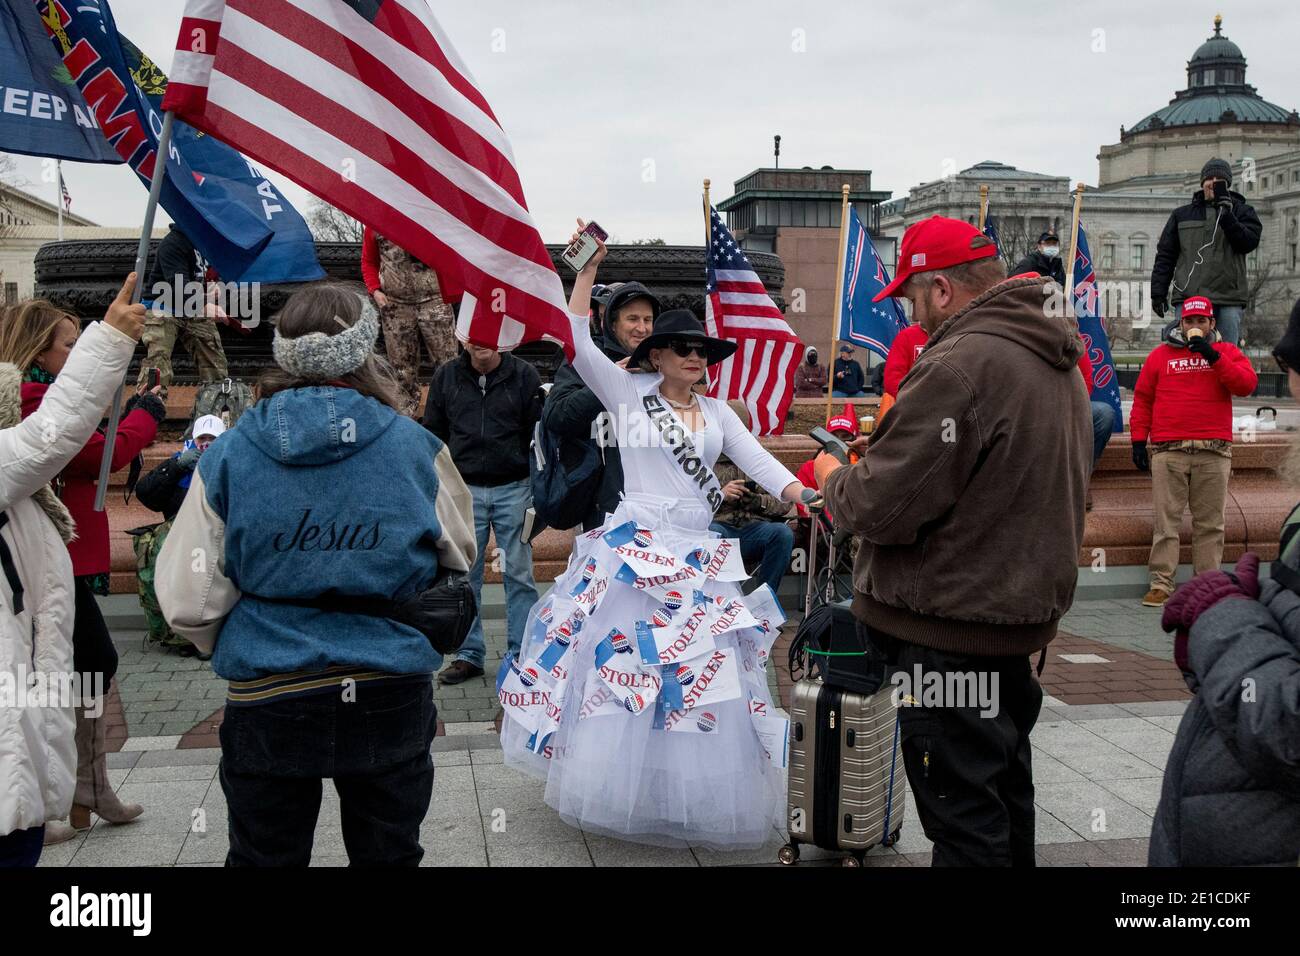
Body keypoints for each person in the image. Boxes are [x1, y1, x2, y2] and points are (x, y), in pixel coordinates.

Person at [499, 225, 812, 849]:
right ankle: (623, 787)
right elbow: (574, 336)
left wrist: (800, 493)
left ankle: (681, 787)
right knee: (626, 670)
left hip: (698, 555)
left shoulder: (719, 411)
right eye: (680, 347)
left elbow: (758, 461)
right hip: (636, 552)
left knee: (702, 673)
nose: (695, 357)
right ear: (656, 356)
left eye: (701, 350)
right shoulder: (625, 391)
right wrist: (587, 272)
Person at [155, 285, 476, 867]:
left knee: (264, 858)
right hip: (387, 683)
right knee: (389, 855)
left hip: (271, 690)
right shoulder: (415, 447)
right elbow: (458, 554)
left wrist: (240, 633)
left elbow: (187, 599)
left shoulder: (228, 454)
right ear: (365, 351)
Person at [815, 216, 1092, 866]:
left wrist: (834, 476)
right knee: (1001, 806)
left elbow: (876, 507)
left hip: (944, 639)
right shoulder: (1057, 355)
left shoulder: (963, 361)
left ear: (940, 289)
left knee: (963, 829)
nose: (911, 315)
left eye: (912, 298)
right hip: (1011, 629)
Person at [4, 300, 166, 845]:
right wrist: (148, 414)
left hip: (60, 559)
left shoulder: (38, 391)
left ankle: (82, 784)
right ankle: (64, 789)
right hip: (45, 565)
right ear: (38, 348)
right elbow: (106, 453)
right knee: (74, 665)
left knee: (87, 662)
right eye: (68, 344)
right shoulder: (30, 397)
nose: (73, 351)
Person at [422, 342, 543, 686]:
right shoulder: (447, 376)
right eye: (473, 333)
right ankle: (468, 655)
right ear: (462, 337)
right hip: (464, 490)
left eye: (489, 332)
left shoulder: (524, 375)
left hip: (514, 487)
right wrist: (441, 486)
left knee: (519, 574)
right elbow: (434, 433)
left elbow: (536, 434)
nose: (481, 342)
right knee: (463, 576)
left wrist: (534, 484)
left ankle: (522, 654)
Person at [1130, 295, 1258, 608]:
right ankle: (1161, 584)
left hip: (1213, 452)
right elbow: (1143, 399)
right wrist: (1137, 440)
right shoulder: (1160, 356)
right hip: (1168, 450)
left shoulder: (1226, 352)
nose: (1195, 326)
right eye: (1190, 321)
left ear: (1212, 323)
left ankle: (1207, 585)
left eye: (1202, 320)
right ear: (1181, 323)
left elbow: (1246, 384)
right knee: (1166, 523)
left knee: (1211, 525)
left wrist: (1213, 357)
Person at [542, 274, 661, 531]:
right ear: (613, 324)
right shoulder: (587, 361)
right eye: (632, 319)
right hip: (605, 507)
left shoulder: (664, 362)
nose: (642, 328)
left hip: (659, 504)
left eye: (647, 320)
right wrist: (609, 381)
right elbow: (556, 416)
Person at [1008, 247, 1117, 502]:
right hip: (1019, 411)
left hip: (1063, 404)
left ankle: (1078, 479)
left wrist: (1064, 402)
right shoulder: (1009, 331)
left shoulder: (1067, 331)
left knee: (1102, 413)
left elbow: (1086, 379)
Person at [133, 415, 228, 656]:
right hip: (180, 545)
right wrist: (175, 468)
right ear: (193, 440)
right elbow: (146, 494)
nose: (206, 444)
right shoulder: (180, 463)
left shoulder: (230, 464)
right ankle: (182, 639)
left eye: (212, 439)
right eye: (202, 438)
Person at [1151, 158, 1262, 346]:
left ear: (1227, 184)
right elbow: (1165, 256)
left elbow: (1248, 243)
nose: (1213, 182)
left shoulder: (1244, 211)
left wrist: (1228, 216)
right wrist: (1158, 292)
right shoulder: (1181, 214)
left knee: (1226, 354)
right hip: (1189, 296)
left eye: (1219, 179)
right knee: (1185, 354)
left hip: (1229, 298)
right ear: (1202, 182)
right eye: (1209, 178)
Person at [361, 225, 458, 417]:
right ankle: (406, 419)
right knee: (401, 369)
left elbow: (452, 252)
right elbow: (368, 260)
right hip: (395, 305)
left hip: (435, 300)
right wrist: (375, 289)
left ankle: (451, 414)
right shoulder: (376, 222)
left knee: (448, 363)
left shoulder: (428, 214)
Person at [137, 223, 231, 398]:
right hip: (162, 306)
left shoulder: (207, 246)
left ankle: (217, 405)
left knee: (216, 363)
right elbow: (179, 285)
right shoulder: (173, 243)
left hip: (191, 307)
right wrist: (204, 306)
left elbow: (206, 277)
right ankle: (148, 406)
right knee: (158, 364)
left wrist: (213, 288)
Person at [710, 456, 796, 597]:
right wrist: (720, 496)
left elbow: (786, 501)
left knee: (782, 533)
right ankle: (725, 601)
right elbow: (689, 502)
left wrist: (759, 501)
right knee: (714, 533)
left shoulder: (760, 458)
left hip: (754, 528)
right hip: (718, 525)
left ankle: (764, 601)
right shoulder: (702, 459)